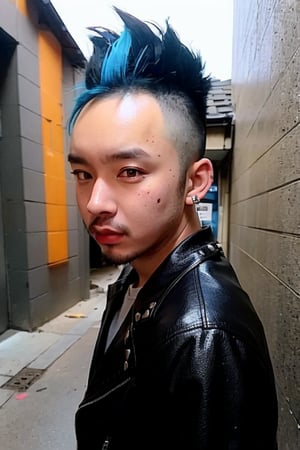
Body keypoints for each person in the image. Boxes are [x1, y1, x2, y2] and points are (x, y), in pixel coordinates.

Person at [68, 7, 278, 450]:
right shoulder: (135, 277)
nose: (95, 203)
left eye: (129, 171)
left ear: (195, 181)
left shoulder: (207, 337)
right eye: (83, 173)